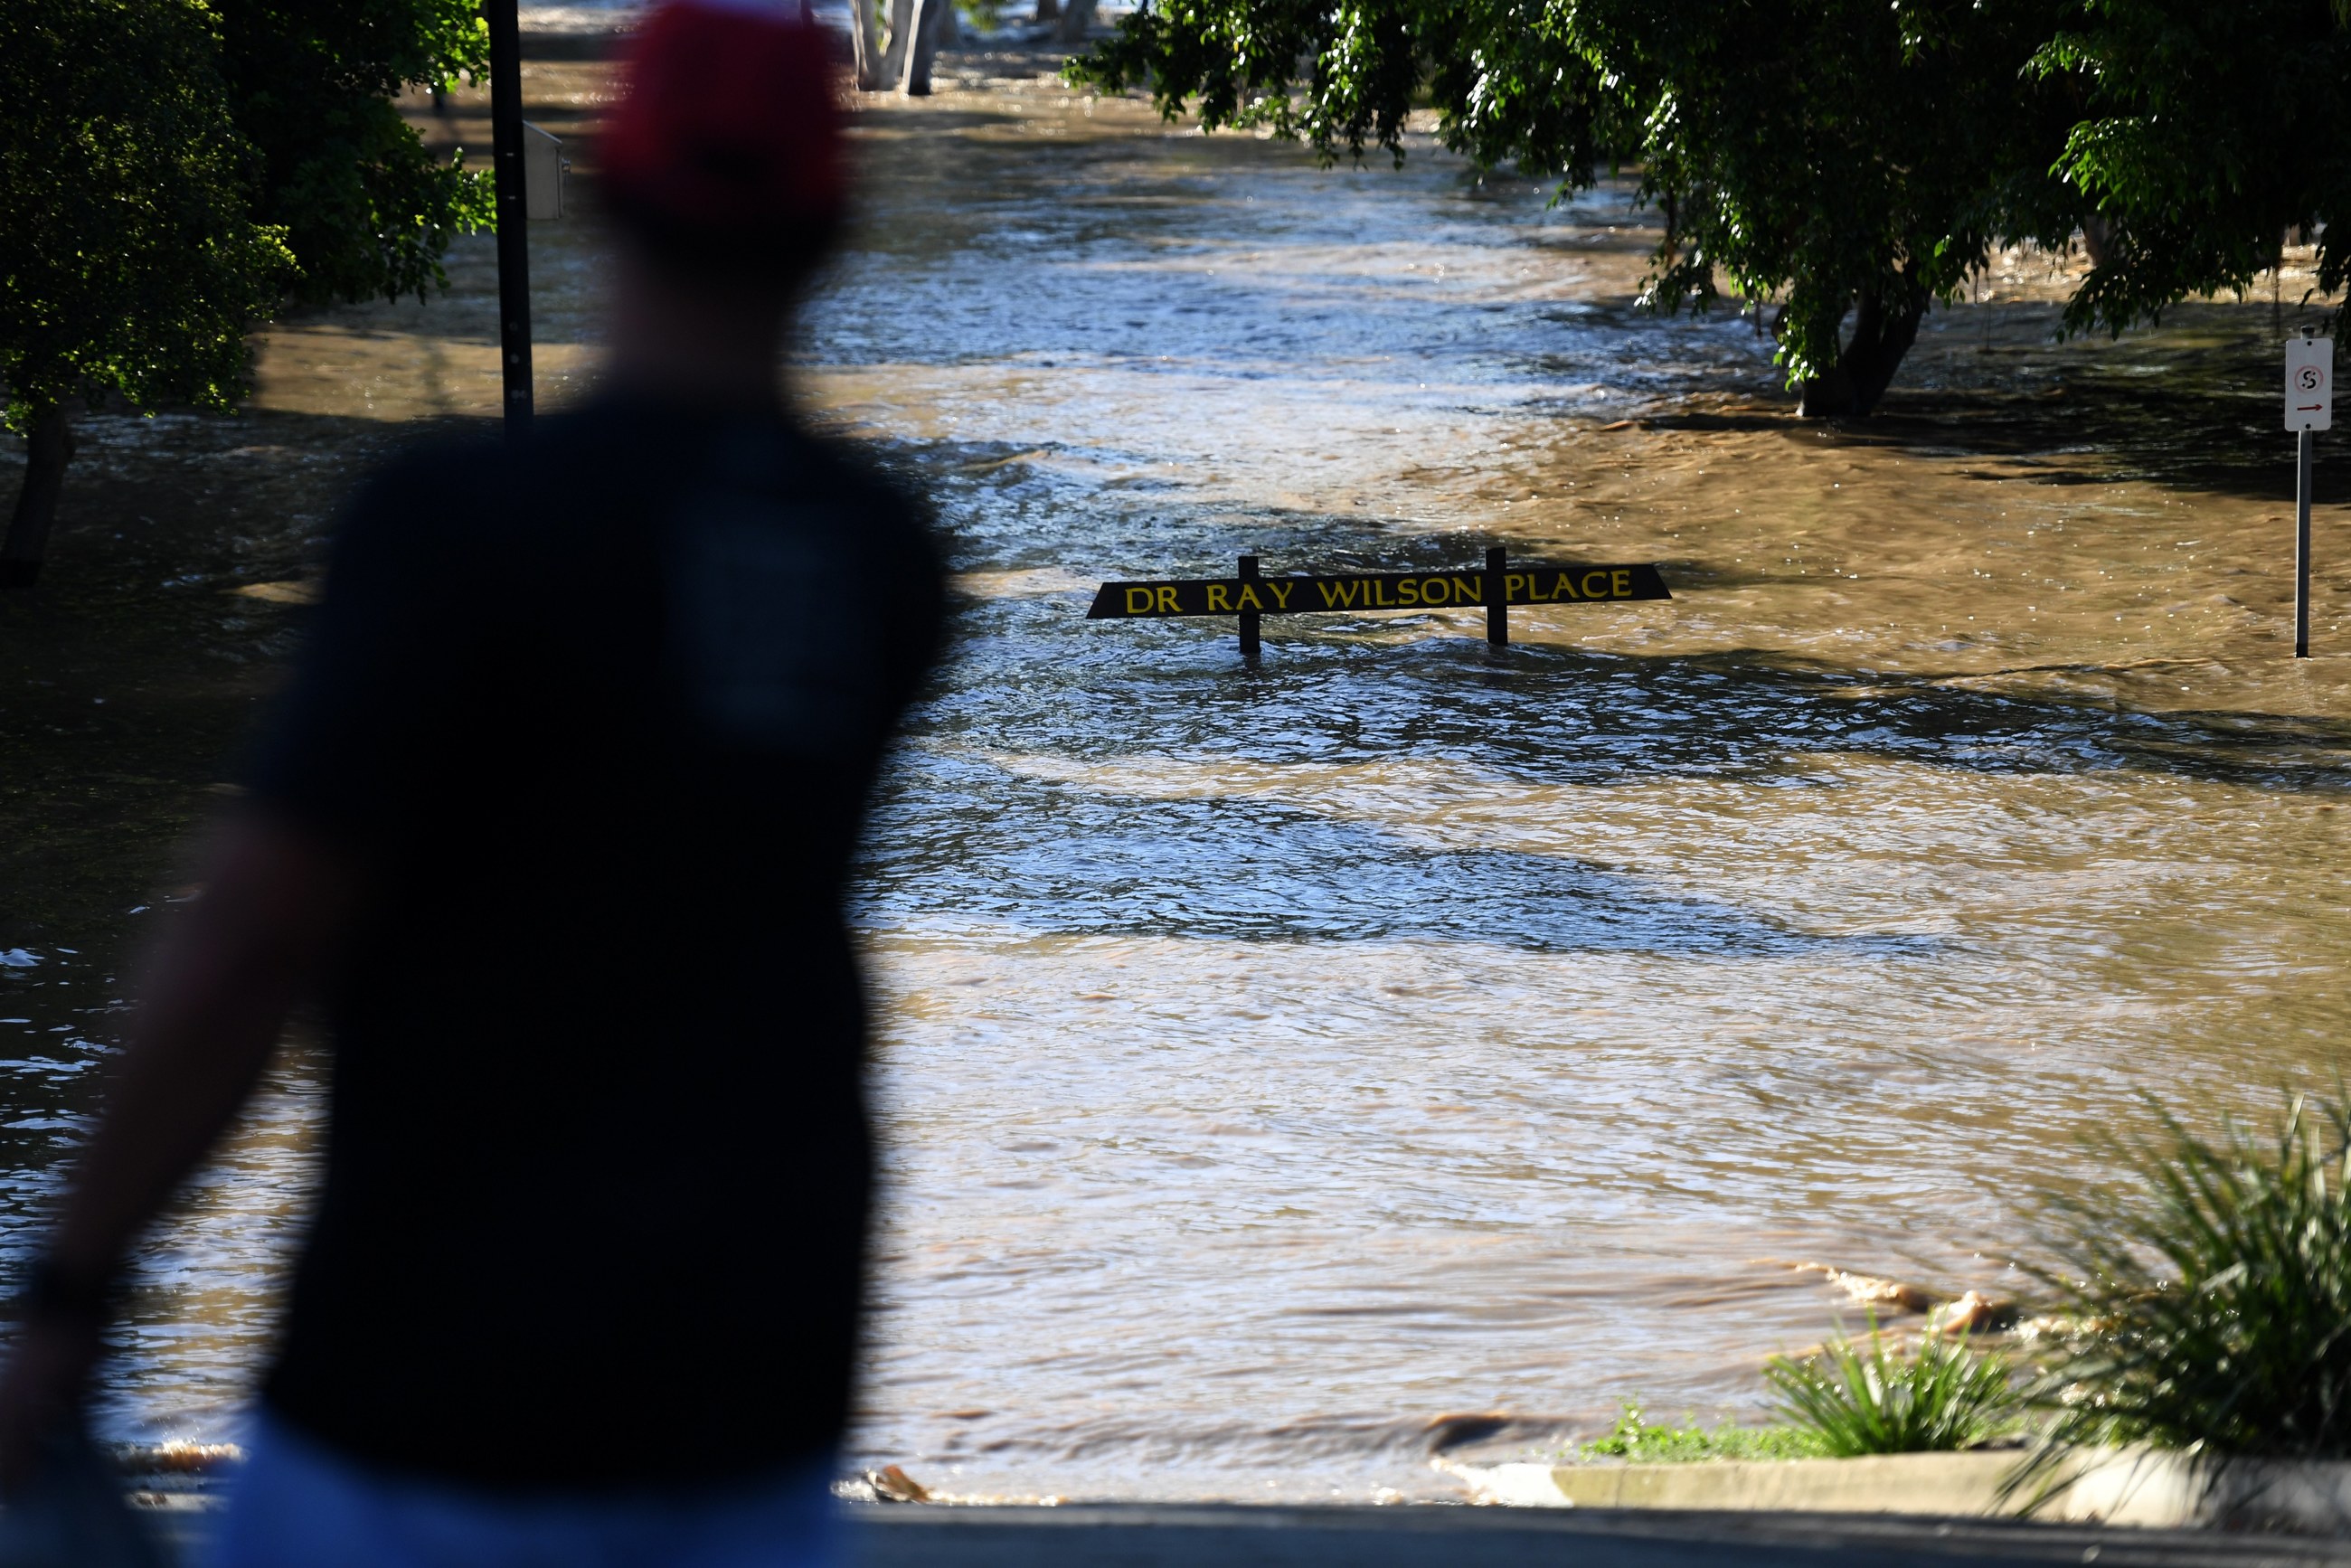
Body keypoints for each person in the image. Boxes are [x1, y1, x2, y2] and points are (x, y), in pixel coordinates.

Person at [0, 2, 945, 1561]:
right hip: (756, 1385)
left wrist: (72, 1284)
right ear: (832, 223)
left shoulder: (456, 528)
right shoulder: (884, 561)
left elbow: (249, 940)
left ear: (598, 187)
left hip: (430, 1381)